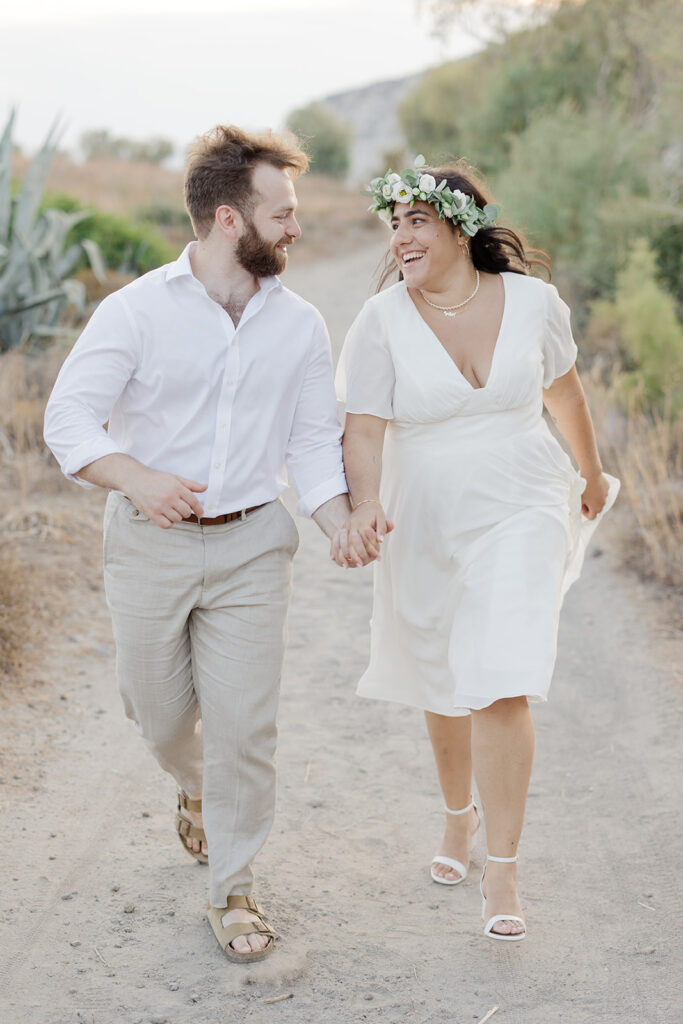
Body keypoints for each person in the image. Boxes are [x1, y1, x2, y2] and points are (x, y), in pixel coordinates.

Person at [44, 125, 377, 962]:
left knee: (244, 726)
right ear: (230, 220)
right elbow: (68, 421)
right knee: (156, 717)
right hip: (150, 541)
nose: (295, 227)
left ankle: (231, 890)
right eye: (283, 212)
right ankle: (193, 785)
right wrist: (137, 478)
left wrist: (336, 521)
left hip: (252, 547)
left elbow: (309, 440)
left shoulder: (298, 324)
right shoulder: (135, 311)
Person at [332, 156, 619, 941]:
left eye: (414, 221)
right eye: (393, 226)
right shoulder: (380, 321)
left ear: (456, 227)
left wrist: (590, 473)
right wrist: (362, 506)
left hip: (521, 499)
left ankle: (503, 870)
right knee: (441, 667)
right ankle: (455, 817)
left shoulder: (533, 303)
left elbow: (562, 390)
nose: (400, 239)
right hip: (421, 508)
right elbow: (362, 427)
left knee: (501, 673)